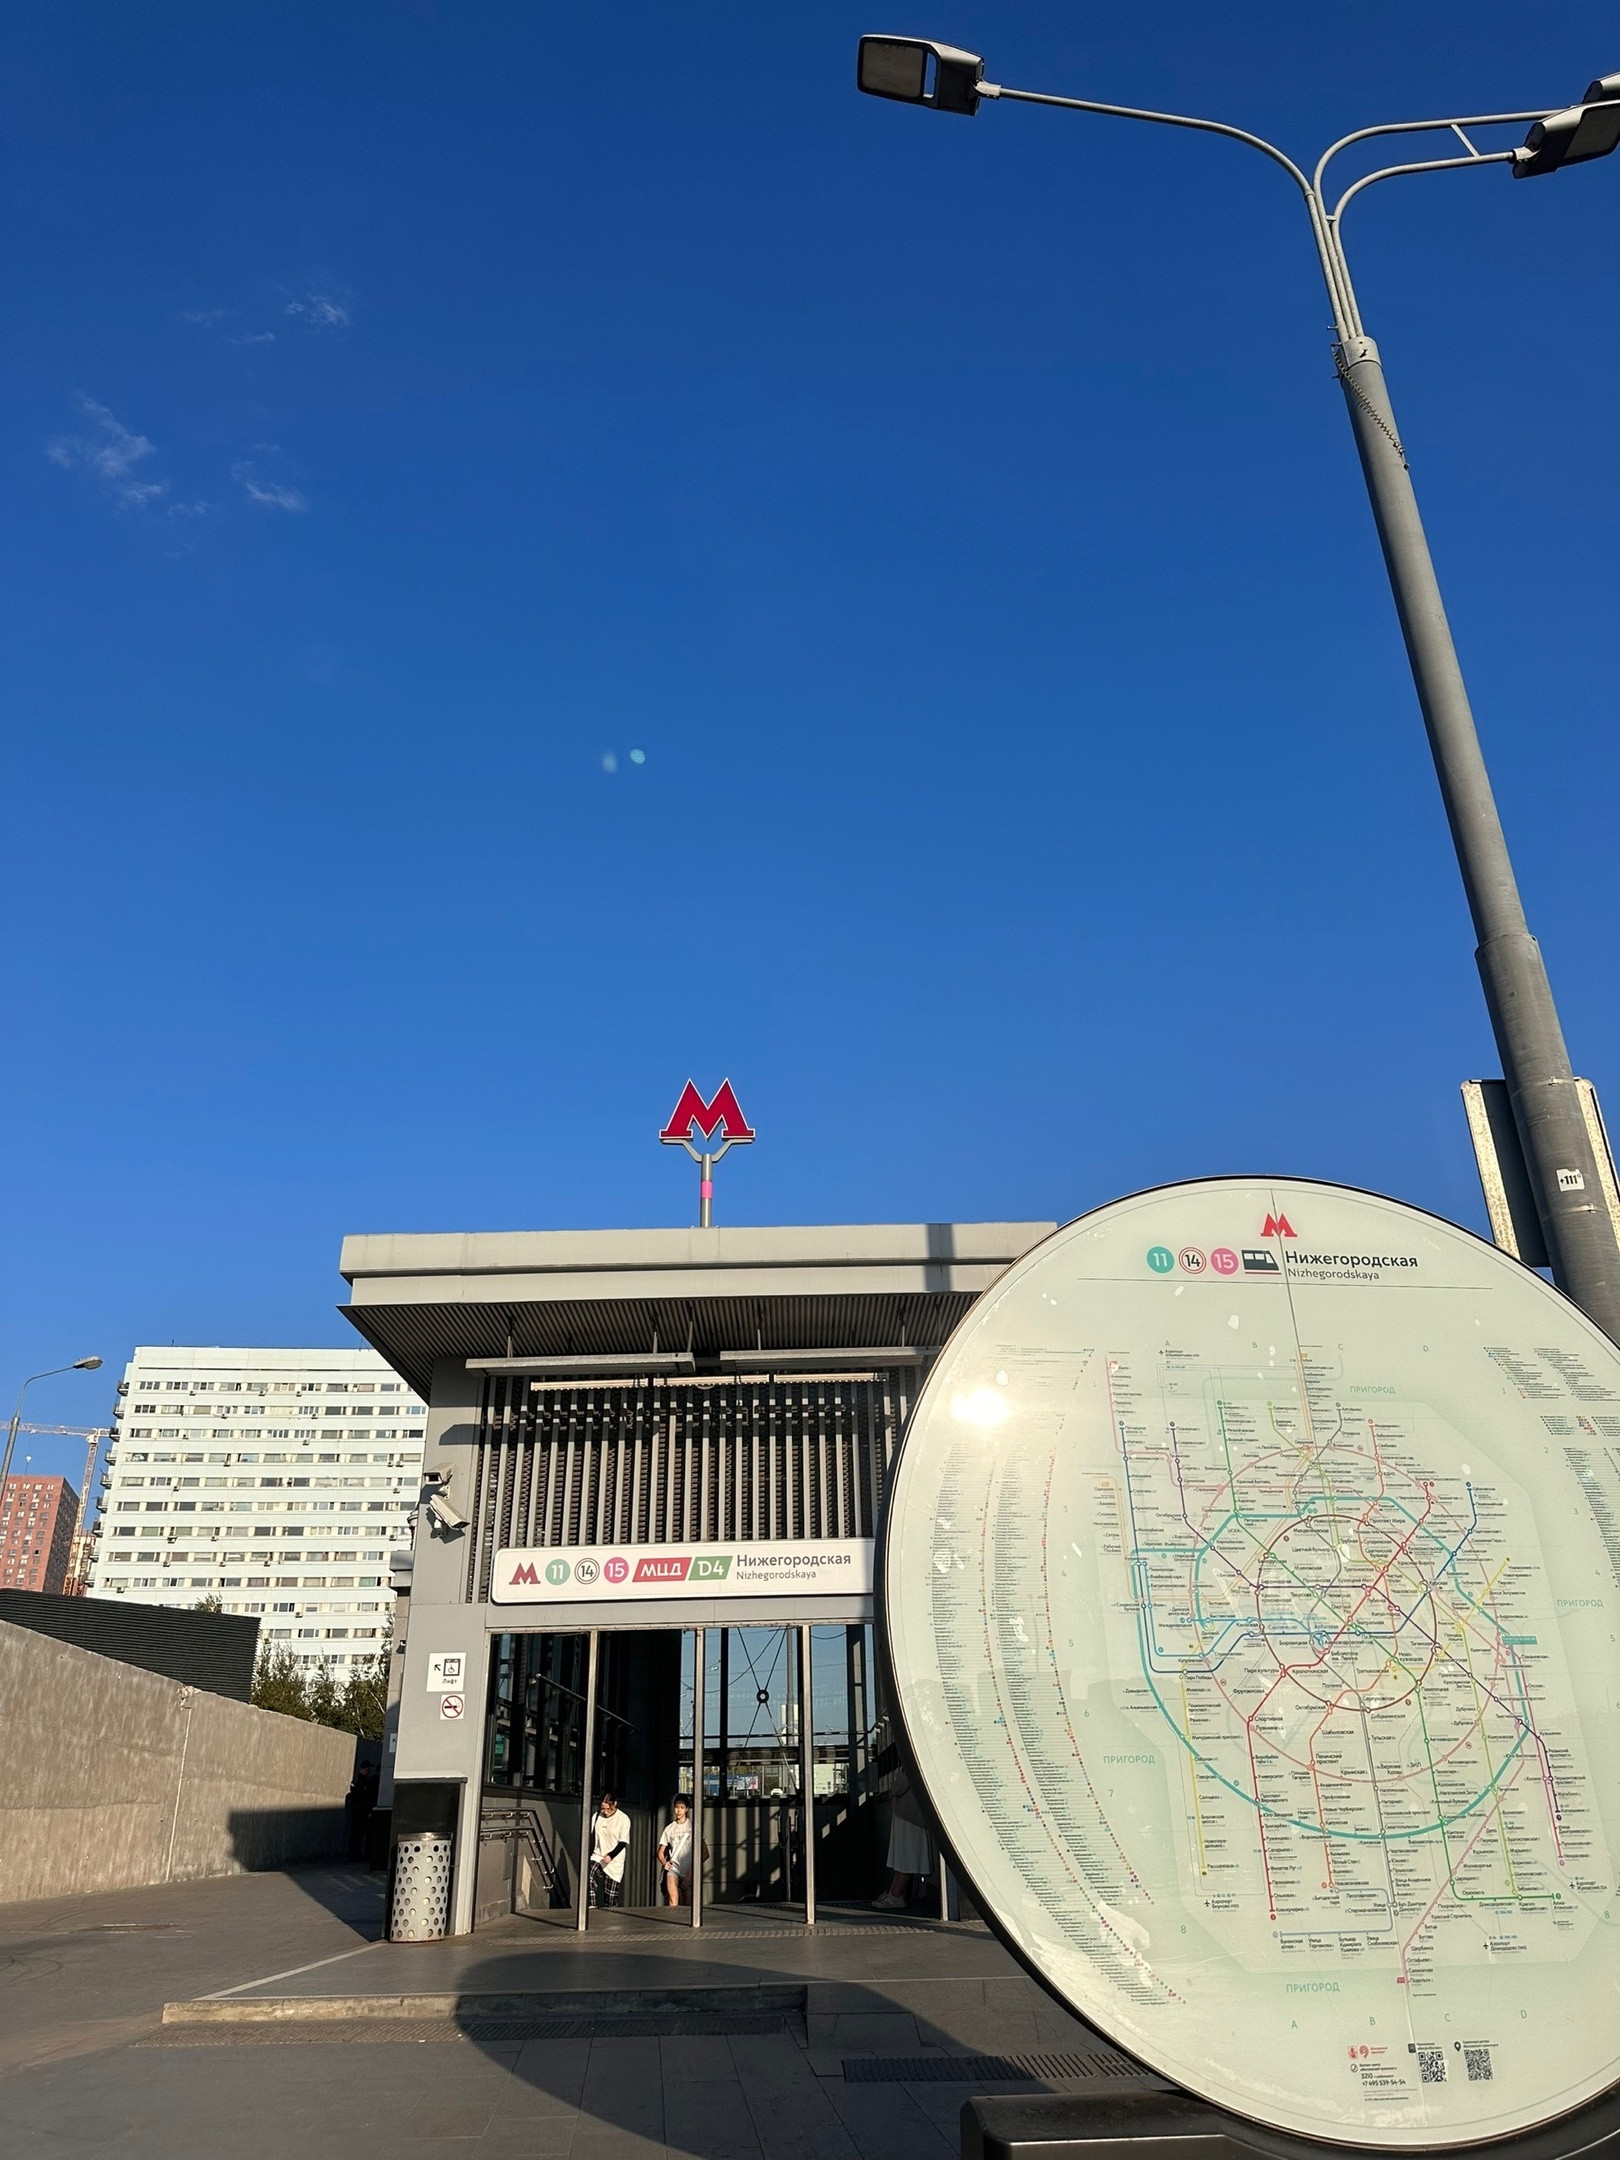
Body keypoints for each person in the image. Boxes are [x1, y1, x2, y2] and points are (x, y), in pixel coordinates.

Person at [872, 1771, 930, 1911]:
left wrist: (892, 1790)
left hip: (910, 1816)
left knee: (906, 1859)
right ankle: (893, 1893)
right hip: (912, 1815)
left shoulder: (913, 1767)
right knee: (904, 1859)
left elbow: (898, 1787)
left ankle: (895, 1895)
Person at [656, 1794, 707, 1907]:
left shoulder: (694, 1827)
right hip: (673, 1868)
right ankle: (672, 1918)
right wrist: (664, 1863)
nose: (678, 1810)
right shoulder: (669, 1829)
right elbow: (660, 1851)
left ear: (687, 1809)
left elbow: (704, 1853)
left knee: (689, 1904)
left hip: (689, 1869)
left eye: (682, 1807)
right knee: (673, 1899)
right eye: (676, 1807)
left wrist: (692, 1870)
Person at [590, 1792, 629, 1908]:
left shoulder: (623, 1819)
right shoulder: (597, 1816)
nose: (605, 1812)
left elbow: (623, 1842)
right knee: (589, 1875)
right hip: (598, 1855)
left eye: (608, 1809)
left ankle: (611, 1913)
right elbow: (591, 1836)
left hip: (614, 1859)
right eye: (603, 1809)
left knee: (611, 1897)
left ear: (615, 1805)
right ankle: (591, 1905)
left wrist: (611, 1855)